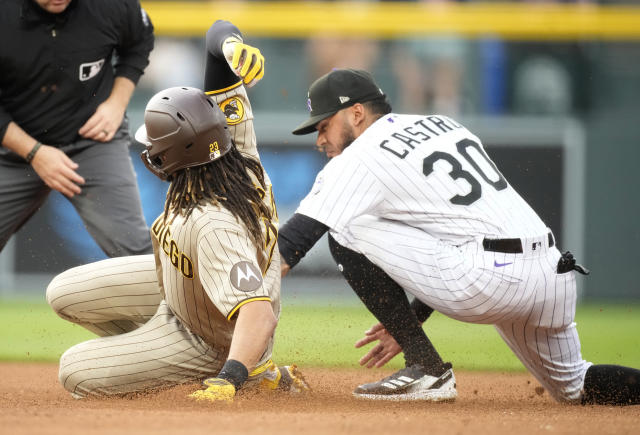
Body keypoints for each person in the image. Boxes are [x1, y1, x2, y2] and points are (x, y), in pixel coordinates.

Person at [278, 68, 640, 405]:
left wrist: (237, 304)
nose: (320, 139)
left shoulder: (360, 157)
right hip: (552, 274)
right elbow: (454, 234)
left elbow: (291, 246)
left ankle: (427, 368)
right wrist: (409, 321)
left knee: (344, 226)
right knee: (575, 386)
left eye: (323, 126)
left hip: (491, 280)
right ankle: (425, 364)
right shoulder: (443, 124)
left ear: (356, 114)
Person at [45, 20, 309, 401]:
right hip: (184, 284)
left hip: (209, 336)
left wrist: (231, 378)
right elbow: (216, 32)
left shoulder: (215, 223)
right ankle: (146, 350)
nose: (149, 152)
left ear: (174, 155)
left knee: (75, 371)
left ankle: (251, 372)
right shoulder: (232, 148)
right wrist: (231, 45)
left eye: (154, 146)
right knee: (63, 292)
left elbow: (258, 314)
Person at [0, 0, 154, 258]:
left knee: (137, 256)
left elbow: (139, 41)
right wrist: (34, 153)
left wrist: (117, 103)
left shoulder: (111, 5)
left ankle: (176, 299)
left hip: (91, 141)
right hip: (13, 150)